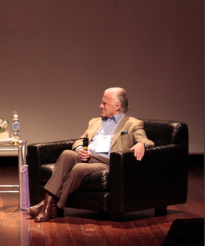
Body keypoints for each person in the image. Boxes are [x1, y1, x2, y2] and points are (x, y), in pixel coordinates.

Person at [27, 87, 154, 222]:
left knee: (78, 169)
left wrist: (141, 144)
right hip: (87, 157)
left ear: (117, 106)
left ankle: (47, 205)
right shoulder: (95, 122)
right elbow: (80, 140)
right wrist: (80, 149)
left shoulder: (132, 124)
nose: (101, 106)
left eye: (104, 103)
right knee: (67, 154)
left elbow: (146, 141)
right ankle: (49, 206)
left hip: (106, 162)